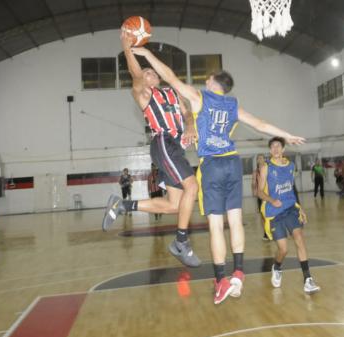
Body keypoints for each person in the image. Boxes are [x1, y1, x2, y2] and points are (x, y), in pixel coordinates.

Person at [132, 45, 305, 305]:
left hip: (212, 166)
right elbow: (260, 124)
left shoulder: (200, 98)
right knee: (235, 220)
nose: (205, 80)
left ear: (213, 83)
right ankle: (238, 273)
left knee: (216, 225)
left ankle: (221, 279)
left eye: (208, 78)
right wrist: (286, 134)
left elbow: (169, 77)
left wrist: (146, 56)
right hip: (233, 163)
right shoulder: (233, 105)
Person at [103, 31, 201, 268]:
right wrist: (127, 47)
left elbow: (187, 114)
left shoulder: (173, 93)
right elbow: (135, 72)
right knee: (192, 187)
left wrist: (190, 127)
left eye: (153, 72)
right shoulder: (144, 94)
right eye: (147, 72)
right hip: (163, 143)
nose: (151, 73)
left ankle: (122, 205)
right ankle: (181, 242)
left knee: (175, 205)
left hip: (175, 147)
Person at [258, 137, 321, 294]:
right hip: (274, 213)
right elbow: (258, 192)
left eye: (278, 146)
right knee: (283, 250)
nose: (275, 149)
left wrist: (301, 208)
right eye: (272, 147)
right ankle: (277, 267)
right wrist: (272, 200)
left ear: (283, 149)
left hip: (291, 208)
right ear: (270, 150)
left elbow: (292, 188)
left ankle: (307, 279)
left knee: (299, 238)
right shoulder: (266, 167)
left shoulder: (291, 166)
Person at [250, 154, 269, 240]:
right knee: (263, 215)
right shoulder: (256, 172)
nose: (260, 160)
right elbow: (253, 182)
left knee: (273, 214)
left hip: (270, 195)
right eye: (258, 159)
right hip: (261, 196)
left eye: (261, 158)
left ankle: (274, 231)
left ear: (264, 159)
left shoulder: (269, 169)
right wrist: (254, 190)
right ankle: (266, 233)